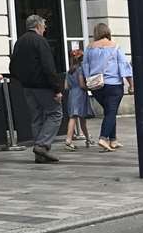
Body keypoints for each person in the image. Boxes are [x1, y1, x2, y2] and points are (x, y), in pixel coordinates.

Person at [8, 14, 63, 163]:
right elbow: (48, 66)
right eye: (44, 25)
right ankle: (42, 145)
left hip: (27, 87)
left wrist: (22, 80)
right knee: (55, 114)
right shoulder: (40, 41)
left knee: (37, 117)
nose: (45, 28)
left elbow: (13, 66)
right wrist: (57, 88)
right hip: (43, 86)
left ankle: (40, 155)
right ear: (38, 26)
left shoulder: (19, 42)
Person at [82, 23, 132, 152]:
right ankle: (103, 138)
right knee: (111, 112)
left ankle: (113, 139)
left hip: (96, 85)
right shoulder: (115, 47)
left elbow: (85, 66)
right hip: (114, 84)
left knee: (109, 111)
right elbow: (124, 66)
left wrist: (88, 81)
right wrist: (131, 84)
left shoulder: (89, 48)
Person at [63, 46, 92, 150]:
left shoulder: (68, 71)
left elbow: (66, 86)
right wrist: (88, 87)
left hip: (72, 94)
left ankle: (88, 138)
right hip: (80, 94)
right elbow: (81, 84)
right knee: (77, 118)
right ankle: (68, 140)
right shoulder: (80, 69)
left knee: (76, 117)